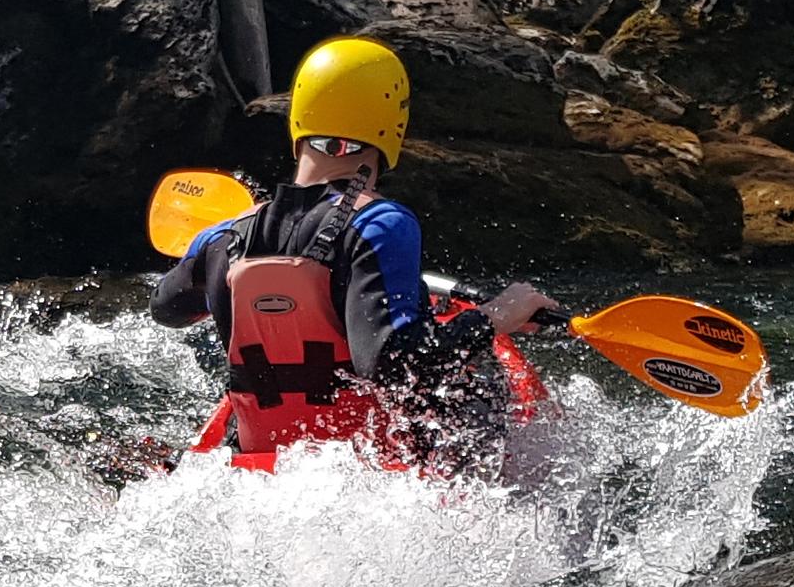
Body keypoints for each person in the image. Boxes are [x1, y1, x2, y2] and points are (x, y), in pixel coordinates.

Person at [151, 37, 558, 466]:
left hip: (259, 464)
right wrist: (495, 317)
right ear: (392, 124)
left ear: (299, 119)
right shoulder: (381, 224)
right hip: (370, 470)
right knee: (481, 383)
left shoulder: (224, 237)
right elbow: (394, 364)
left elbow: (166, 308)